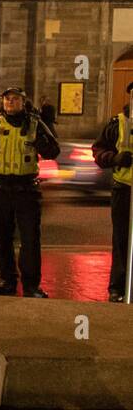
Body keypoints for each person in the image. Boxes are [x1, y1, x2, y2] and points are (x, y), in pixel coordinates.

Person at [0, 86, 60, 298]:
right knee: (1, 238)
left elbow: (54, 150)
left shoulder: (34, 123)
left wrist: (40, 142)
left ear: (23, 101)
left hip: (26, 190)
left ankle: (31, 286)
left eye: (15, 99)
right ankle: (7, 281)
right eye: (6, 99)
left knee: (30, 239)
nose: (10, 102)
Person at [92, 81, 133, 302]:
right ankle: (117, 287)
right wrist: (114, 158)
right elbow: (98, 151)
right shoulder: (118, 123)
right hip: (124, 190)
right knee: (121, 241)